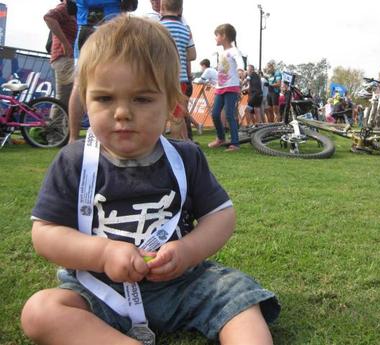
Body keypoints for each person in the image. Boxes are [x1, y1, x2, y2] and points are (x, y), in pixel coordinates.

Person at [20, 15, 279, 345]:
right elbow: (45, 234)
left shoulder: (186, 157)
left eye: (141, 99)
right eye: (105, 99)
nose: (122, 113)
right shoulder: (73, 161)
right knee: (40, 311)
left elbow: (221, 216)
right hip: (100, 290)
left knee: (240, 301)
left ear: (171, 104)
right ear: (85, 100)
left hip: (183, 284)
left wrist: (186, 251)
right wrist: (102, 254)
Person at [67, 0, 137, 143]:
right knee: (115, 82)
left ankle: (73, 137)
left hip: (84, 29)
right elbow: (132, 5)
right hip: (112, 29)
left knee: (78, 85)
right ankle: (110, 131)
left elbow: (70, 8)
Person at [160, 0, 196, 141]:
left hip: (160, 79)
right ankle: (175, 146)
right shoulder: (185, 29)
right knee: (177, 117)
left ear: (162, 7)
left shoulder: (157, 27)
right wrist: (179, 52)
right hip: (180, 80)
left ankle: (158, 148)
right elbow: (192, 55)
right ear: (180, 8)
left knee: (160, 116)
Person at [208, 23, 244, 152]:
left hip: (231, 87)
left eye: (217, 35)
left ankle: (235, 143)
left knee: (229, 115)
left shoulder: (234, 50)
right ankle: (221, 138)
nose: (215, 38)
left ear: (224, 36)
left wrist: (240, 69)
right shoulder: (222, 53)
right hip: (220, 87)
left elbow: (240, 60)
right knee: (215, 114)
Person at [43, 0, 77, 108]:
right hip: (64, 57)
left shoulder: (75, 10)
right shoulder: (65, 6)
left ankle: (62, 124)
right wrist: (65, 43)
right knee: (63, 99)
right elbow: (49, 17)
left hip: (68, 58)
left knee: (68, 97)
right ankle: (55, 124)